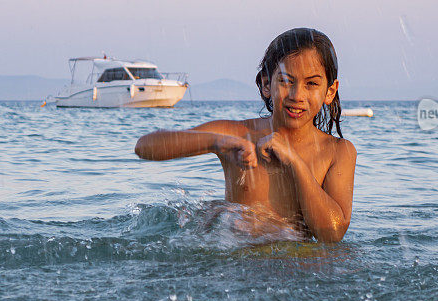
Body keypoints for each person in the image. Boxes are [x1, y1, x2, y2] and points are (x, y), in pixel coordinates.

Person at [134, 28, 356, 242]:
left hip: (299, 270)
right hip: (239, 266)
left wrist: (295, 162)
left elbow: (332, 233)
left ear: (330, 91)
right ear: (267, 84)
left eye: (312, 84)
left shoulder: (337, 151)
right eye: (286, 81)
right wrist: (216, 142)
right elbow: (145, 147)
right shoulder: (238, 136)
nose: (297, 95)